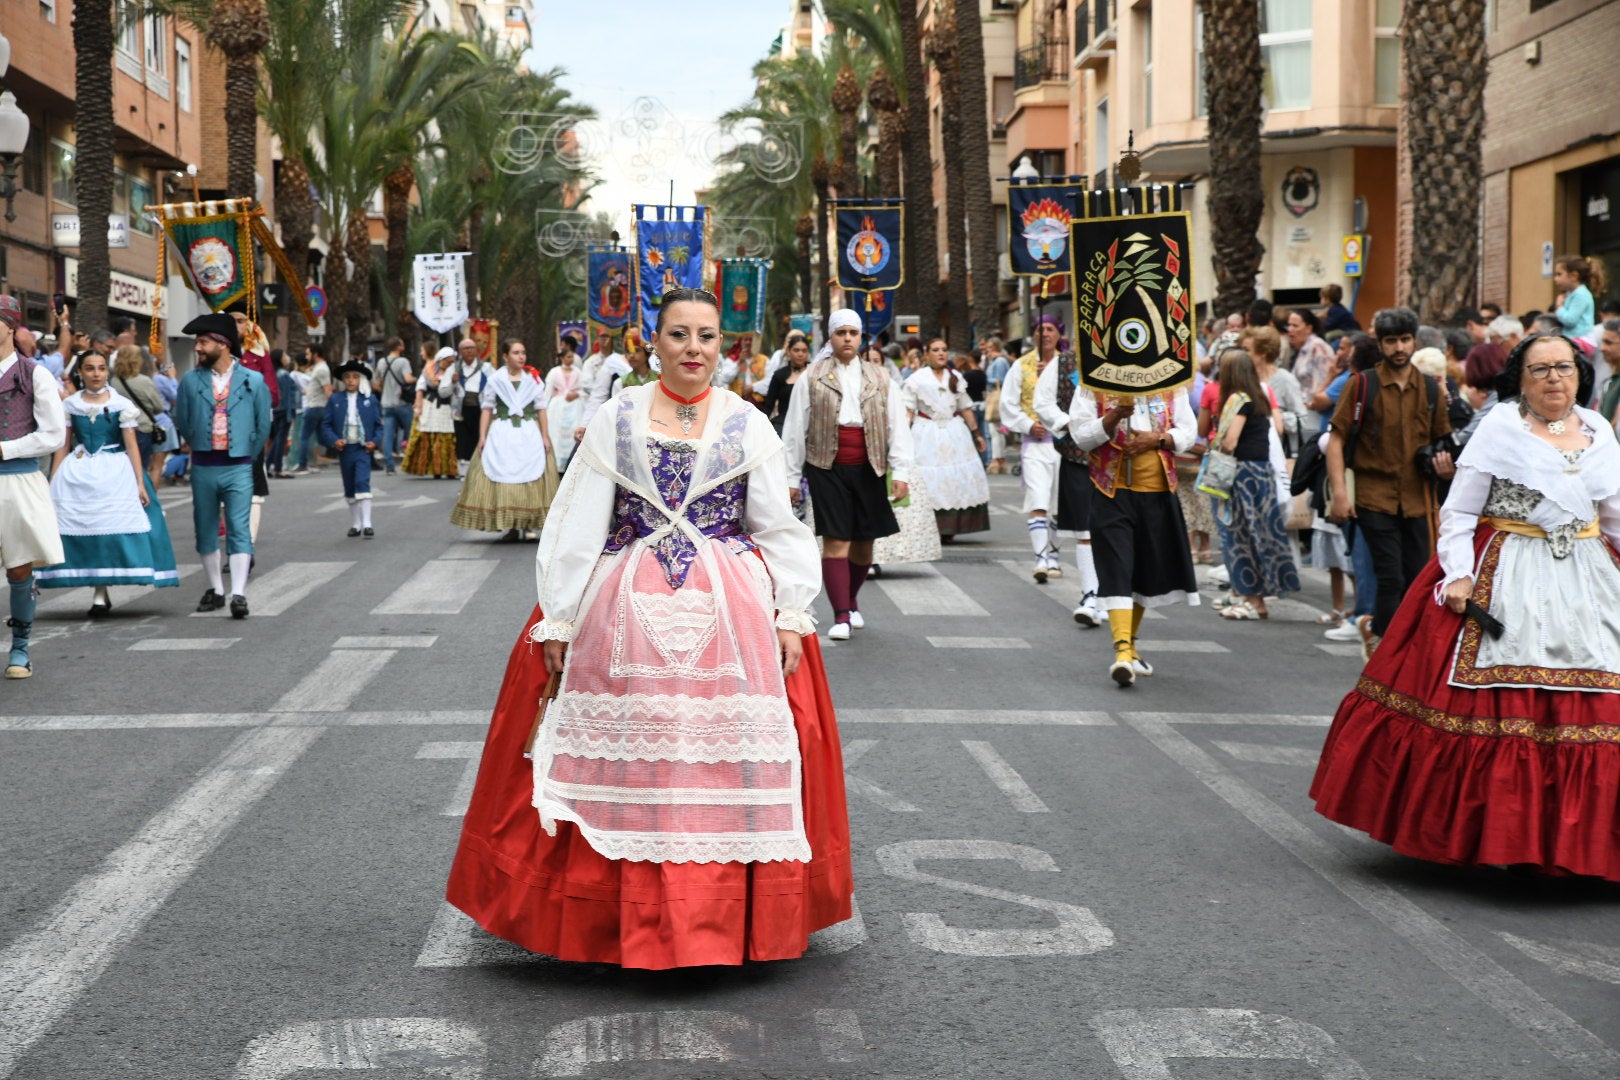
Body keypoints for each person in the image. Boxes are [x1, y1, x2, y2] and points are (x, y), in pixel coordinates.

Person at [445, 287, 853, 966]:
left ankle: (718, 920)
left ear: (724, 345)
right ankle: (616, 917)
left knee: (717, 761)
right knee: (637, 758)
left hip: (733, 608)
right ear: (652, 342)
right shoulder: (619, 416)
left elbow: (776, 522)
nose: (694, 349)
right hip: (624, 600)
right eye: (680, 336)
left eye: (707, 337)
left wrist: (789, 612)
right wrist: (562, 616)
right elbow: (580, 516)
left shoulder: (748, 423)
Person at [1311, 333, 1620, 882]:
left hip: (1589, 573)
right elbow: (1457, 513)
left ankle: (1581, 846)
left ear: (1580, 374)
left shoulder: (1597, 431)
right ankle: (1496, 838)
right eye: (1541, 369)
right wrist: (1458, 575)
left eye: (1565, 368)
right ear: (1519, 380)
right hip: (1507, 567)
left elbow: (1613, 513)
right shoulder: (1501, 428)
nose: (1555, 379)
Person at [1326, 307, 1455, 655]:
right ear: (1380, 344)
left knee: (1416, 579)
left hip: (1417, 498)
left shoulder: (1429, 389)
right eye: (1391, 341)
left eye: (1404, 339)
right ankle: (1390, 653)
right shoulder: (1362, 384)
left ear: (1413, 340)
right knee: (1390, 578)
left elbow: (1444, 442)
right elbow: (1335, 440)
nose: (1399, 347)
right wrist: (1340, 493)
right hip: (1373, 497)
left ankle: (1377, 628)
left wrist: (1445, 468)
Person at [781, 308, 913, 641]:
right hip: (826, 465)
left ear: (860, 337)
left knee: (864, 544)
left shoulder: (881, 377)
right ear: (831, 337)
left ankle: (851, 601)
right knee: (837, 539)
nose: (848, 339)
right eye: (841, 333)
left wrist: (901, 471)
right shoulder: (812, 376)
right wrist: (791, 478)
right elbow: (796, 429)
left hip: (870, 465)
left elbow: (897, 425)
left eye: (853, 333)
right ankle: (840, 614)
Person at [1069, 375, 1200, 687]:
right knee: (1117, 567)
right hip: (1112, 494)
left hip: (1157, 494)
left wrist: (1157, 440)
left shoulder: (1171, 384)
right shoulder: (1092, 385)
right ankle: (1123, 653)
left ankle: (1131, 644)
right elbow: (1081, 436)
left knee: (1146, 569)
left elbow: (1187, 431)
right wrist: (1114, 416)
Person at [37, 349, 179, 610]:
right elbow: (63, 446)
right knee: (83, 529)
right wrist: (53, 480)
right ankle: (97, 591)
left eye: (101, 368)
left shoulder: (121, 405)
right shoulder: (70, 405)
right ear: (80, 372)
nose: (96, 374)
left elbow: (132, 445)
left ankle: (101, 594)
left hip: (115, 470)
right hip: (78, 471)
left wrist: (139, 482)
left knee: (111, 530)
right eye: (90, 368)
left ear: (107, 371)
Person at [173, 313, 271, 619]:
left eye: (203, 342)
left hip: (239, 465)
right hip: (203, 464)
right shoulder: (191, 381)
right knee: (205, 528)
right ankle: (216, 589)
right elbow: (184, 421)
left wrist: (247, 454)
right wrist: (199, 444)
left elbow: (263, 424)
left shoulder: (253, 380)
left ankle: (238, 593)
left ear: (223, 344)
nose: (198, 348)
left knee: (239, 528)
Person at [0, 296, 66, 679]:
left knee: (20, 567)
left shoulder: (34, 373)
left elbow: (54, 435)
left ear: (10, 326)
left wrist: (6, 448)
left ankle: (21, 648)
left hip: (18, 478)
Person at [1207, 353, 1300, 620]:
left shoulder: (1239, 400)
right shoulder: (1259, 398)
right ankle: (1253, 599)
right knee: (1261, 535)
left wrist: (1219, 441)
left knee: (1240, 537)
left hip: (1242, 475)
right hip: (1261, 474)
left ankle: (1253, 599)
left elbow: (1230, 442)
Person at [450, 339, 559, 539]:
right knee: (504, 473)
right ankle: (512, 526)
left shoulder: (532, 380)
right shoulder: (496, 380)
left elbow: (541, 408)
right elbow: (487, 408)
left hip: (528, 431)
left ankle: (527, 525)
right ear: (505, 356)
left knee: (531, 475)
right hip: (502, 431)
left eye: (523, 352)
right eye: (516, 352)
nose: (521, 356)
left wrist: (545, 435)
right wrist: (482, 436)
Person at [1031, 335, 1105, 625]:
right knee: (1085, 530)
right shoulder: (1064, 363)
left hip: (1120, 458)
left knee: (1114, 530)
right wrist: (1068, 425)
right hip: (1078, 457)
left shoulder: (1127, 363)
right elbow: (1044, 402)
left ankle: (1112, 595)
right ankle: (1090, 594)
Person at [1001, 316, 1069, 583]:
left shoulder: (1069, 363)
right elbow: (1008, 403)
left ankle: (1054, 555)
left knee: (1059, 503)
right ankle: (1041, 558)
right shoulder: (1021, 365)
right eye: (1040, 329)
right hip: (1036, 444)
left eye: (1051, 329)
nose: (1045, 334)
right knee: (1038, 498)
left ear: (1059, 334)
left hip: (1065, 444)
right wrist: (1029, 425)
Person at [902, 338, 990, 540]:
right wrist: (902, 436)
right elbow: (908, 410)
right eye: (935, 350)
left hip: (954, 432)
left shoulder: (956, 377)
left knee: (954, 479)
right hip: (926, 432)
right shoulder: (916, 379)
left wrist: (976, 434)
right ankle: (927, 526)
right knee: (926, 478)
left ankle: (950, 528)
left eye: (944, 350)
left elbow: (965, 407)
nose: (941, 353)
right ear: (926, 354)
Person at [321, 359, 384, 538]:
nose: (351, 381)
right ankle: (356, 524)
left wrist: (375, 441)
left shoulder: (369, 400)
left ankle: (367, 523)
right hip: (345, 449)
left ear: (361, 379)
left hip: (362, 449)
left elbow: (379, 425)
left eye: (355, 377)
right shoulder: (335, 399)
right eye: (347, 377)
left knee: (362, 482)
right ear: (342, 380)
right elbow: (326, 425)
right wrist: (334, 440)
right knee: (349, 485)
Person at [402, 346, 460, 479]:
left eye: (452, 362)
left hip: (448, 407)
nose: (449, 364)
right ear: (440, 360)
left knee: (448, 438)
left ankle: (450, 469)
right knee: (432, 437)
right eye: (447, 361)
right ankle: (436, 469)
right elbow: (420, 388)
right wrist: (419, 406)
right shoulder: (428, 371)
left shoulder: (454, 372)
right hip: (432, 406)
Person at [109, 344, 166, 475]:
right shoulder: (144, 381)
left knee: (124, 469)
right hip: (142, 427)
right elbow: (159, 407)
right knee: (141, 468)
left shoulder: (114, 381)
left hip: (121, 428)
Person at [1284, 308, 1335, 438]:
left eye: (1295, 325)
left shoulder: (1318, 348)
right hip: (1302, 414)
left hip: (1315, 418)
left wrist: (1309, 403)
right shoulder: (1302, 350)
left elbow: (1324, 384)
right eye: (1289, 325)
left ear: (1308, 328)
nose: (1290, 330)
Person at [372, 337, 415, 474]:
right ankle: (411, 462)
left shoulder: (381, 362)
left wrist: (386, 389)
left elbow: (377, 384)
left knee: (388, 434)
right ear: (398, 347)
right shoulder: (403, 361)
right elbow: (408, 379)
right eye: (402, 344)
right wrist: (417, 379)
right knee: (411, 432)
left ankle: (389, 465)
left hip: (386, 403)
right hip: (401, 402)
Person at [452, 338, 491, 471]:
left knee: (479, 437)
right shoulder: (454, 368)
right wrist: (452, 382)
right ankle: (463, 471)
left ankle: (480, 469)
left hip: (480, 407)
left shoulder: (486, 368)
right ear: (460, 352)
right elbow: (443, 392)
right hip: (461, 409)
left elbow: (496, 386)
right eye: (466, 348)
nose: (469, 351)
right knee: (463, 440)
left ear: (476, 351)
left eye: (471, 348)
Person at [294, 342, 333, 474]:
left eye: (308, 353)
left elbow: (327, 389)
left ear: (315, 354)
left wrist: (333, 407)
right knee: (322, 437)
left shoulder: (321, 369)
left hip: (315, 407)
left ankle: (302, 464)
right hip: (317, 406)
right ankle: (342, 449)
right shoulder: (318, 368)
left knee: (304, 436)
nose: (307, 356)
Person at [762, 333, 811, 434]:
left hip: (810, 424)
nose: (800, 354)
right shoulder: (779, 375)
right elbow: (768, 406)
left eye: (804, 350)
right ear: (789, 351)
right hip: (784, 425)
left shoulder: (815, 373)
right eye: (796, 350)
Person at [1552, 254, 1604, 340]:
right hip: (1573, 338)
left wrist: (1559, 307)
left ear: (1574, 276)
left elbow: (1570, 320)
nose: (1555, 279)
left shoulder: (1581, 294)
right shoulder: (1571, 293)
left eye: (1559, 274)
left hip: (1581, 340)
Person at [266, 351, 299, 479]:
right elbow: (287, 395)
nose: (287, 358)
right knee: (281, 439)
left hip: (276, 409)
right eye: (285, 356)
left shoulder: (273, 374)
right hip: (285, 409)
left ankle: (269, 465)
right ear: (280, 359)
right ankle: (277, 468)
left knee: (277, 438)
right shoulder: (283, 374)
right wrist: (291, 412)